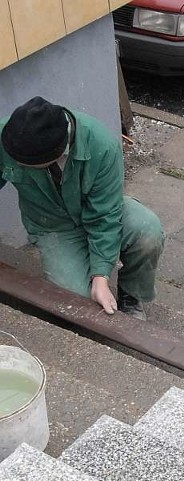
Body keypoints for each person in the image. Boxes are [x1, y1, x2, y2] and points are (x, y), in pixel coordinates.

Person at [0, 96, 164, 321]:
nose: (18, 166)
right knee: (74, 303)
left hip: (100, 209)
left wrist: (100, 276)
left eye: (26, 165)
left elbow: (105, 215)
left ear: (58, 153)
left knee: (147, 231)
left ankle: (131, 295)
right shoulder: (8, 136)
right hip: (53, 226)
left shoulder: (101, 144)